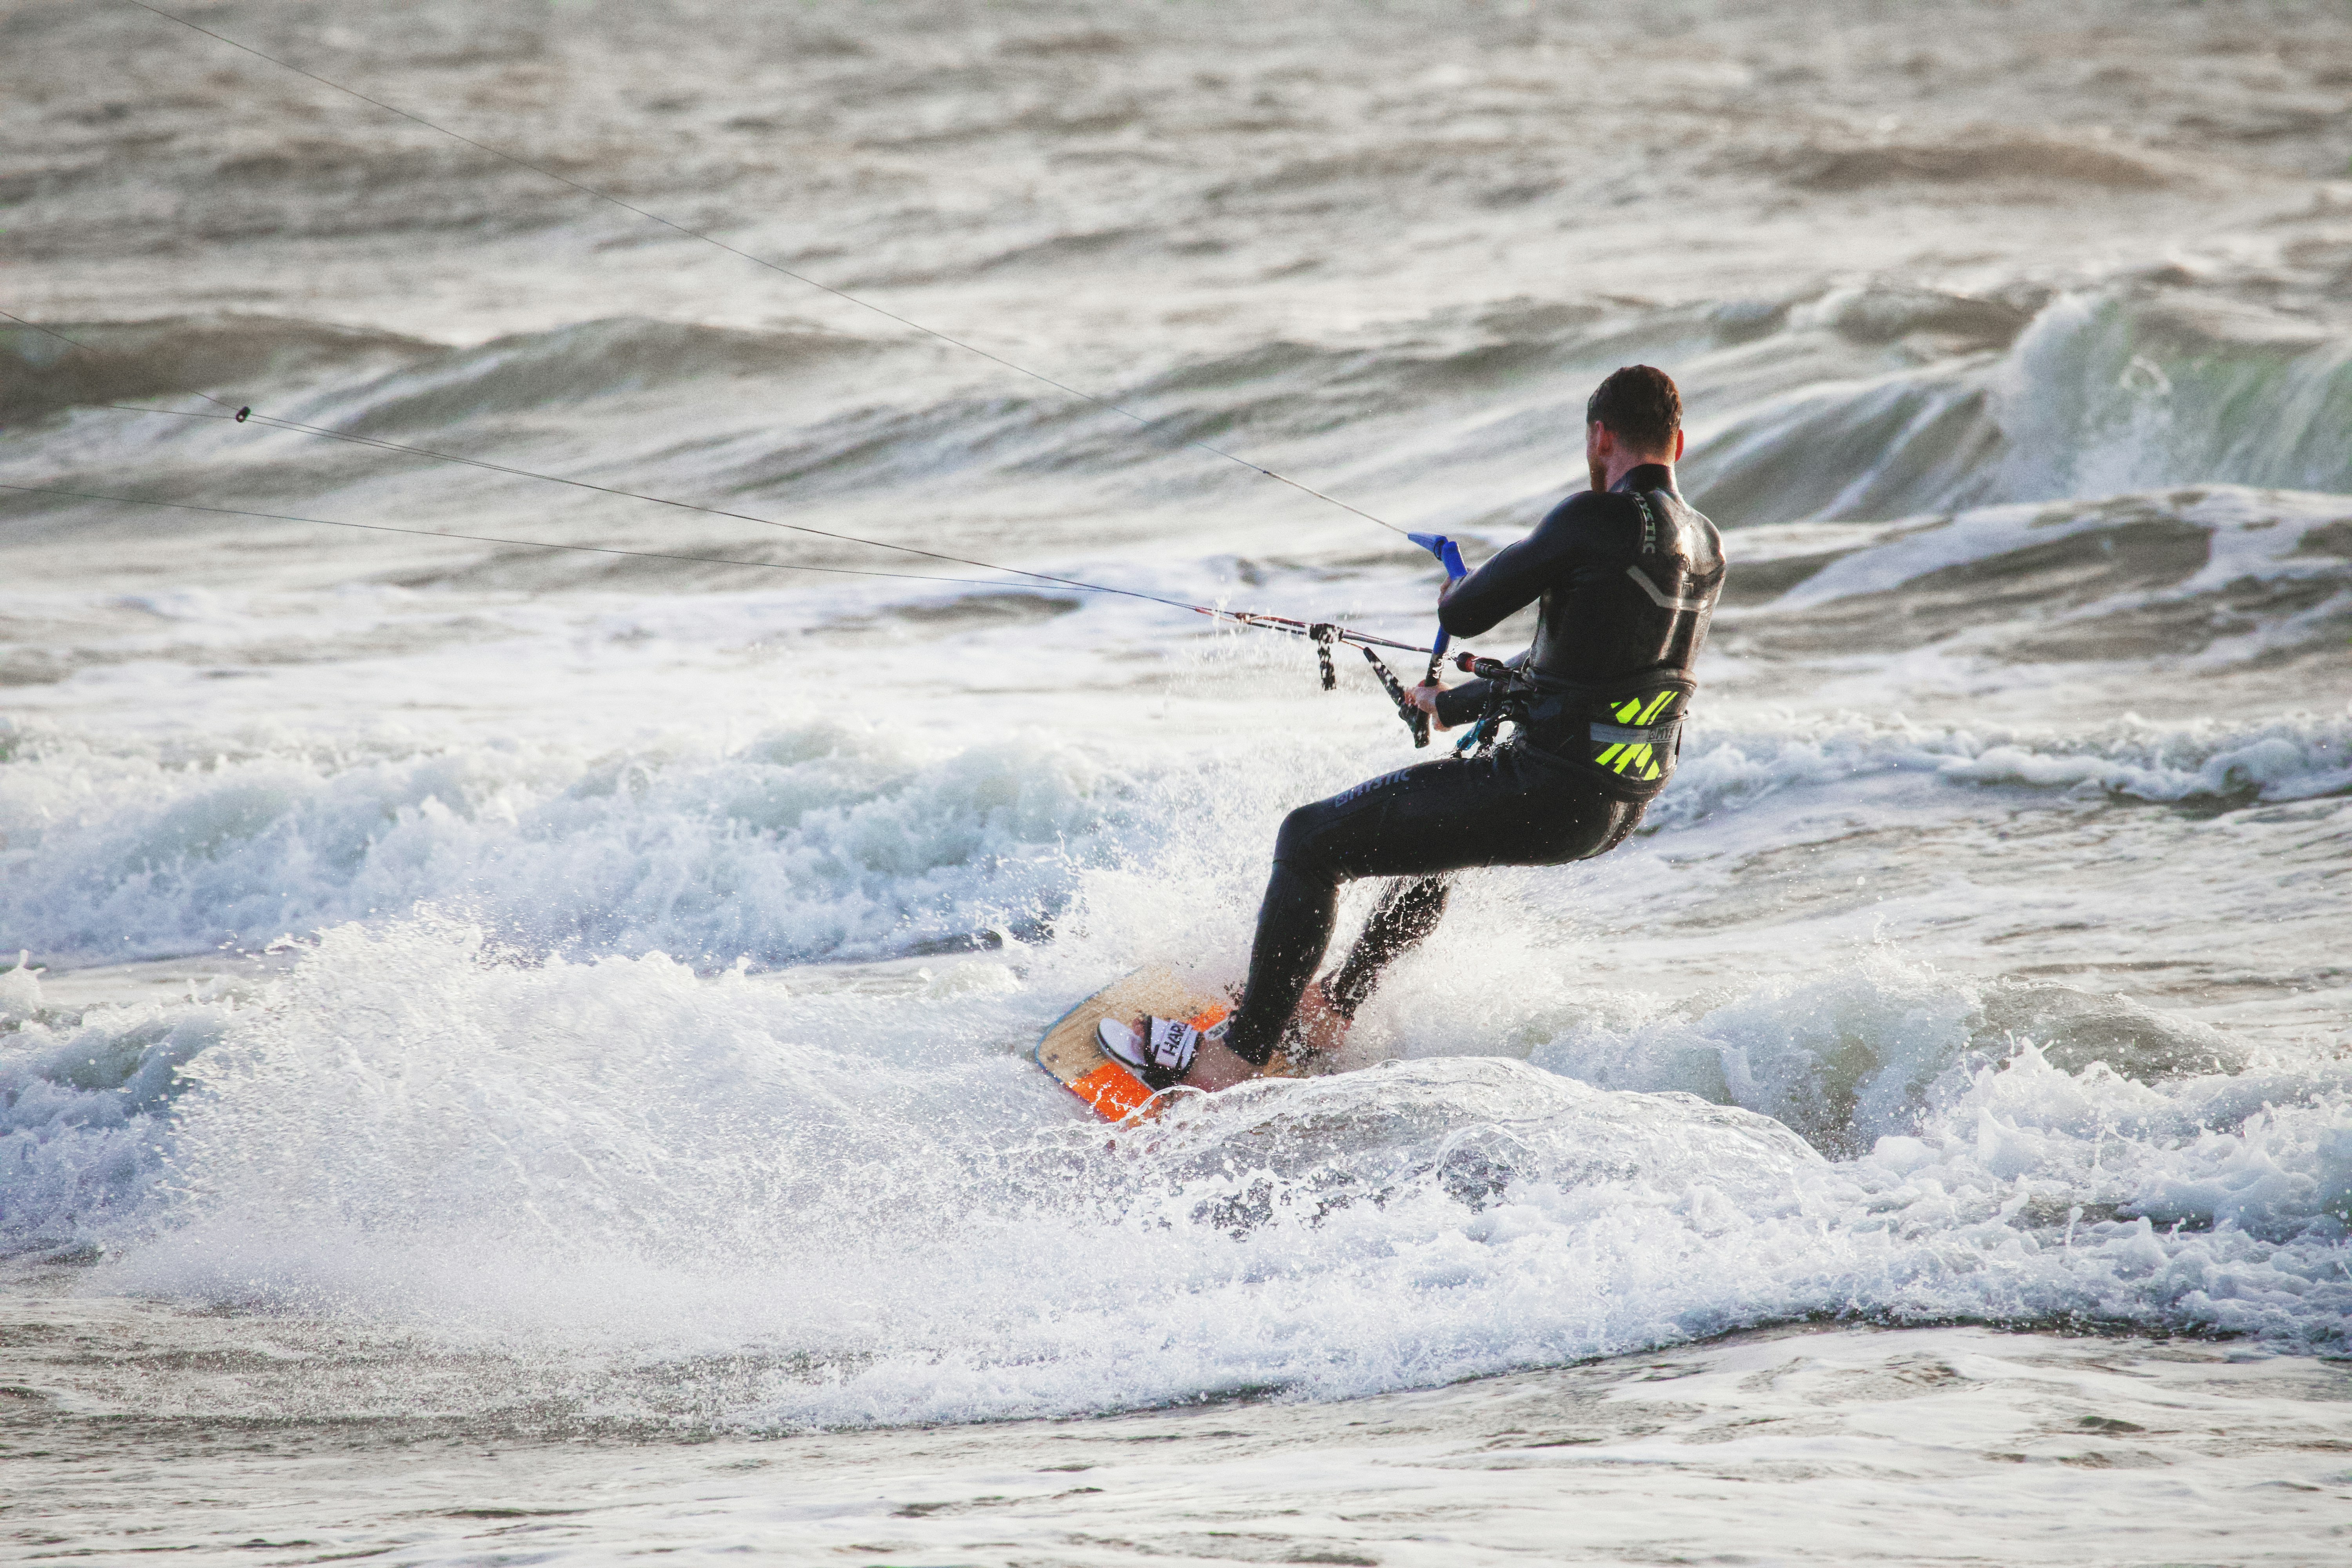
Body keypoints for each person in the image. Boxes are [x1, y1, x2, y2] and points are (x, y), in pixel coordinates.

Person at [1097, 365, 1725, 1091]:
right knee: (1439, 845)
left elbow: (1464, 616)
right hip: (1616, 805)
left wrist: (1456, 585)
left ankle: (1233, 1056)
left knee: (1308, 841)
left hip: (1548, 788)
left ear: (1599, 437)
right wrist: (1449, 704)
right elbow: (1592, 669)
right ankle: (1334, 1006)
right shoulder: (1706, 544)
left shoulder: (1591, 519)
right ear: (1679, 441)